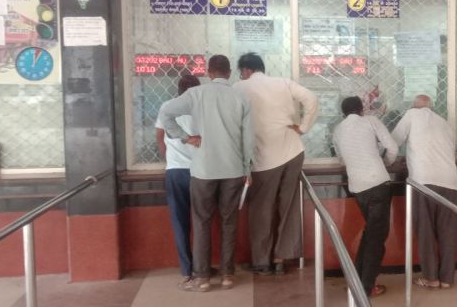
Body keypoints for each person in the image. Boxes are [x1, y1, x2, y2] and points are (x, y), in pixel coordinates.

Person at [159, 55, 254, 292]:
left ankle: (202, 278)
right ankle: (227, 276)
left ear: (209, 73)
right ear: (229, 73)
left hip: (203, 170)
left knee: (201, 221)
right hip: (233, 169)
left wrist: (185, 137)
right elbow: (248, 138)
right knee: (229, 222)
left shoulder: (196, 94)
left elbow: (166, 113)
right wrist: (247, 169)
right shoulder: (241, 97)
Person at [235, 52, 319, 275]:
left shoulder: (239, 88)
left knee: (261, 210)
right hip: (292, 150)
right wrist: (303, 127)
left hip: (264, 157)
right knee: (288, 206)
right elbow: (311, 99)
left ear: (246, 70)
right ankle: (282, 258)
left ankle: (262, 262)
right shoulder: (283, 82)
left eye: (241, 72)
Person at [391, 95, 457, 290]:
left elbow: (393, 142)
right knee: (448, 232)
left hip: (424, 181)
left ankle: (431, 278)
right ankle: (447, 279)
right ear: (431, 108)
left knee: (425, 230)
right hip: (450, 181)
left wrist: (389, 159)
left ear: (415, 107)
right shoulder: (444, 123)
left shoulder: (412, 115)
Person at [333, 96, 398, 298]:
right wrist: (385, 163)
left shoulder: (338, 130)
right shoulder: (371, 121)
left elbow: (342, 159)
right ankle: (367, 287)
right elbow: (393, 148)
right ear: (362, 110)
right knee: (376, 238)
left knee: (370, 235)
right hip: (378, 183)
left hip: (358, 188)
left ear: (343, 113)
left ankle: (358, 282)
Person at [155, 75, 200, 288]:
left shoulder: (167, 107)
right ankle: (201, 268)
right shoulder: (202, 109)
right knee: (202, 222)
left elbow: (159, 136)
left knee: (180, 222)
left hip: (175, 172)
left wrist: (169, 159)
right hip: (200, 172)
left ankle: (186, 270)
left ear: (178, 90)